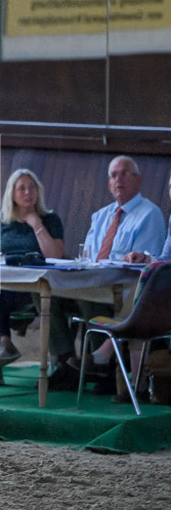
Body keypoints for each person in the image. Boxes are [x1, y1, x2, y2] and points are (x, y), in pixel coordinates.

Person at [49, 155, 166, 391]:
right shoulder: (101, 215)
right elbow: (91, 256)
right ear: (108, 183)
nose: (118, 180)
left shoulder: (149, 214)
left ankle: (102, 364)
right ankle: (66, 363)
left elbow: (145, 265)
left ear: (138, 179)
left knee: (87, 296)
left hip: (127, 290)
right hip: (95, 281)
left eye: (124, 173)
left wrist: (130, 257)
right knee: (48, 294)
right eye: (113, 175)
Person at [0, 169, 65, 386]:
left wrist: (36, 224)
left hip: (38, 288)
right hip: (8, 286)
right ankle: (1, 352)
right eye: (22, 188)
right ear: (12, 194)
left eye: (32, 187)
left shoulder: (50, 219)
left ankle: (0, 355)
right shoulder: (1, 222)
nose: (28, 192)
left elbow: (55, 254)